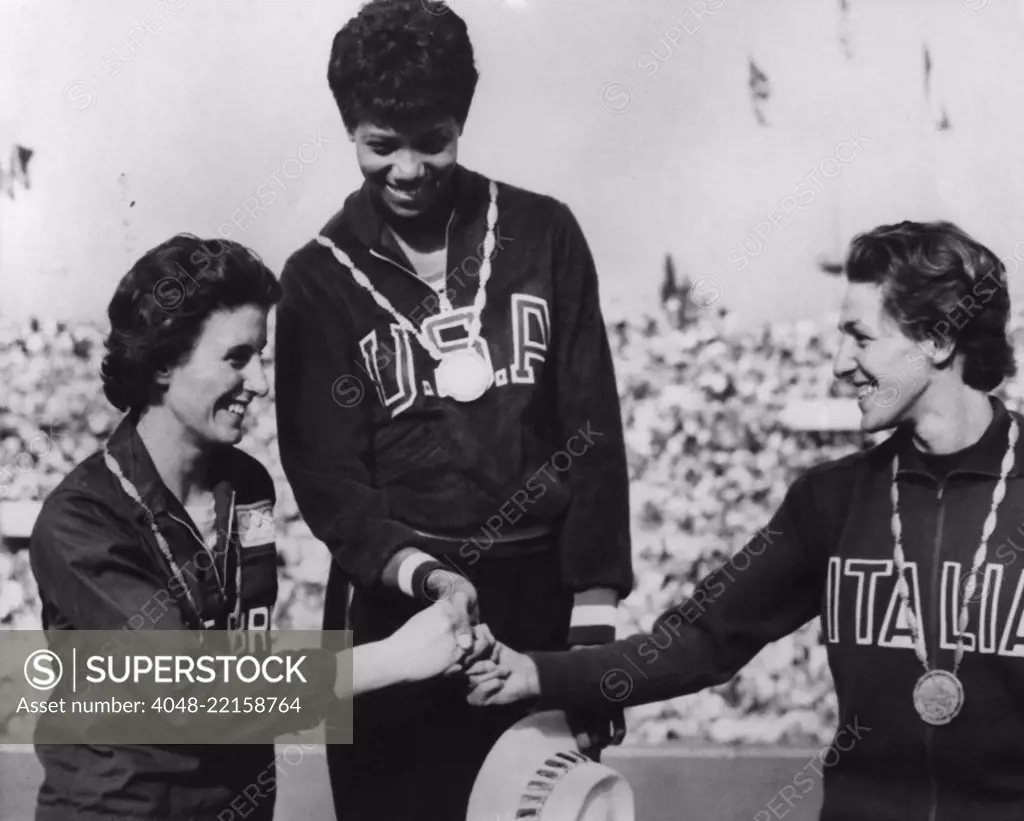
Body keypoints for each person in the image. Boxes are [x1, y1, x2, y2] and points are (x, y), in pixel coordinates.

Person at [468, 221, 1024, 821]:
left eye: (860, 338)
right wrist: (538, 672)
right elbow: (701, 639)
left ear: (939, 341)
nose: (840, 364)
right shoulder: (831, 499)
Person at [273, 1, 633, 818]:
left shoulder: (543, 234)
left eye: (432, 139)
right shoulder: (316, 279)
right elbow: (329, 481)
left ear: (461, 121)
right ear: (350, 132)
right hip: (398, 604)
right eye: (380, 145)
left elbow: (593, 435)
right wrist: (424, 573)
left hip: (536, 599)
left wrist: (593, 628)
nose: (407, 168)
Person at [29, 234, 480, 821]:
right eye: (237, 358)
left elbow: (250, 663)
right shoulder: (80, 521)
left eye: (261, 356)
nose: (262, 383)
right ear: (163, 361)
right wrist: (390, 660)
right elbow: (188, 694)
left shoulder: (248, 484)